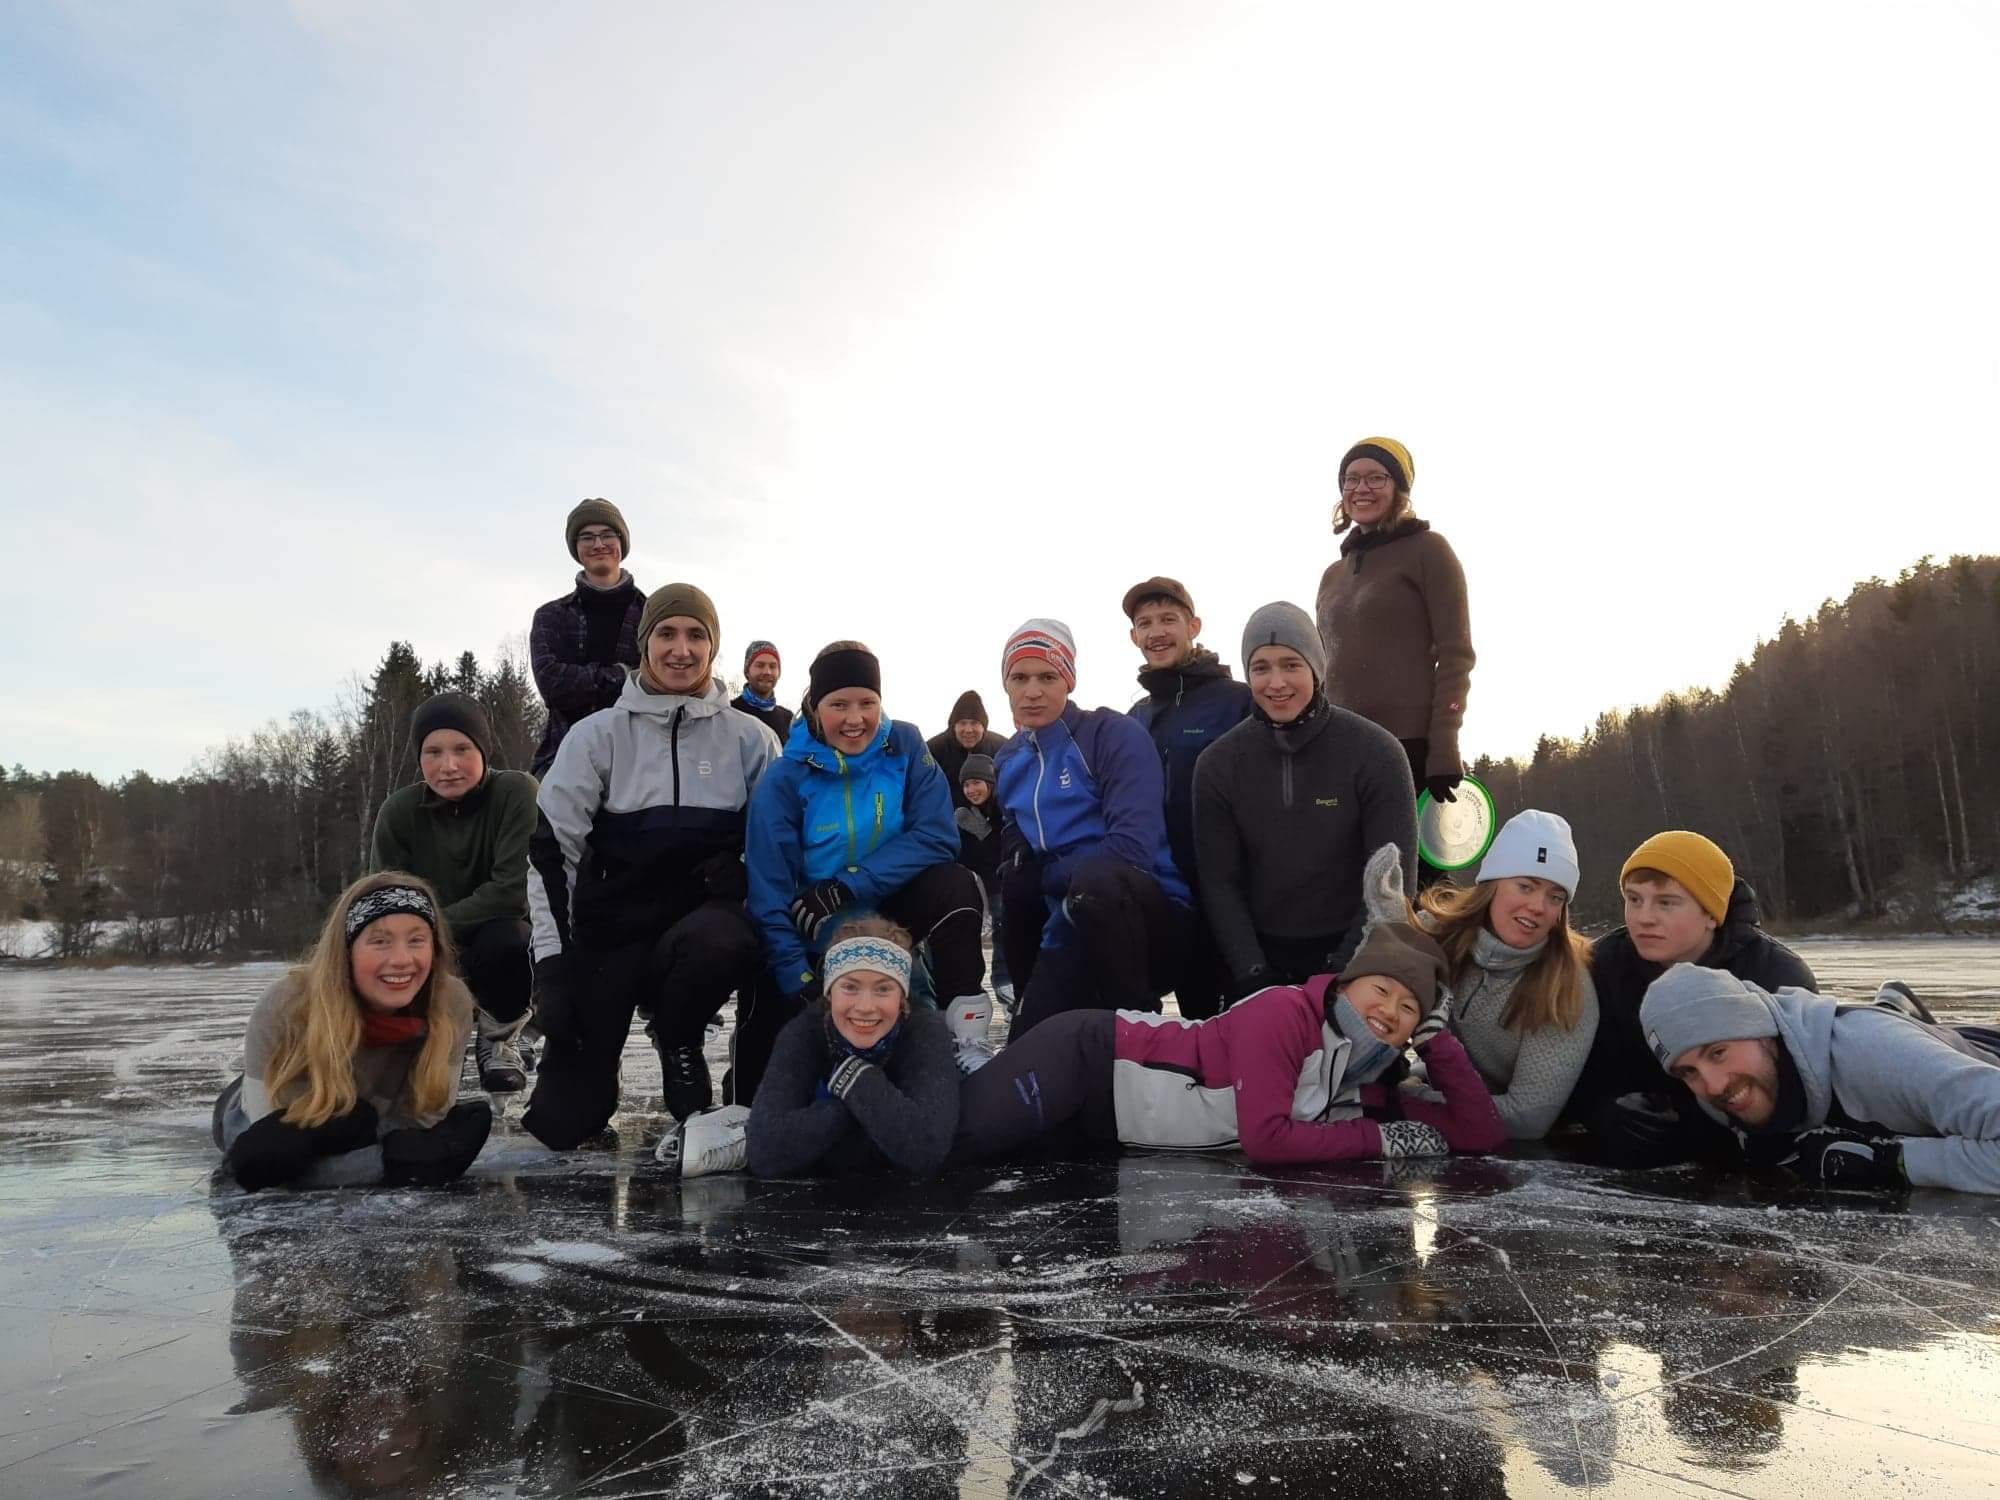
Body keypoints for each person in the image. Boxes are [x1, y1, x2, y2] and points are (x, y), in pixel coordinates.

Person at [954, 845, 1504, 1166]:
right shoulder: (1286, 1014)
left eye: (1410, 1009)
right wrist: (1377, 1139)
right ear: (1347, 985)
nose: (1389, 1011)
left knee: (989, 1160)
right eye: (1380, 991)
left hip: (1103, 1126)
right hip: (1087, 1059)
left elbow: (1480, 1134)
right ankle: (931, 1053)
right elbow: (1267, 1138)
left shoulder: (1368, 1086)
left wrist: (1438, 1042)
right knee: (954, 1140)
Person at [524, 583, 780, 1149]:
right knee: (564, 1124)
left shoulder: (753, 740)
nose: (680, 650)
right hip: (613, 934)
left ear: (713, 647)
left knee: (727, 941)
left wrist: (743, 867)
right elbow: (551, 854)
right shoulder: (596, 736)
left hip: (700, 934)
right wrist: (553, 966)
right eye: (666, 634)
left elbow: (778, 848)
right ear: (644, 644)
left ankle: (679, 1032)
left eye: (696, 636)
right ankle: (600, 1060)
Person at [745, 641, 993, 1077]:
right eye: (839, 705)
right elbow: (769, 889)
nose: (855, 719)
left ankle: (964, 1039)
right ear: (815, 706)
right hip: (817, 925)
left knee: (958, 885)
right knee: (777, 1072)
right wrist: (797, 980)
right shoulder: (786, 776)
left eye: (867, 703)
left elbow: (937, 836)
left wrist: (849, 883)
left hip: (889, 910)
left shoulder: (905, 745)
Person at [212, 872, 492, 1191]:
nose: (402, 959)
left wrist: (398, 1143)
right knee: (273, 1149)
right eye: (380, 941)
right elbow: (267, 1161)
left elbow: (423, 1121)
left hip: (374, 1115)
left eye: (416, 940)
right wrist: (390, 1164)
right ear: (346, 952)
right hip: (283, 1107)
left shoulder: (449, 1001)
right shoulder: (284, 1007)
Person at [1192, 603, 1416, 998]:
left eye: (1291, 665)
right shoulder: (1218, 764)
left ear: (1316, 667)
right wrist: (1253, 974)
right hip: (1259, 960)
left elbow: (1393, 884)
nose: (1276, 683)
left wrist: (1340, 973)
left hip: (1357, 954)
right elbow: (1219, 883)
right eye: (1261, 668)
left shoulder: (1377, 752)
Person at [993, 619, 1192, 1037]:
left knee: (1095, 881)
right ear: (1006, 685)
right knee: (1031, 1048)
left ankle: (1139, 1029)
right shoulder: (1008, 759)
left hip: (1147, 917)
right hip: (1064, 924)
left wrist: (1045, 877)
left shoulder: (1110, 734)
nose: (1032, 691)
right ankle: (1028, 1004)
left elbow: (1132, 847)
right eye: (1020, 678)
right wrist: (1022, 869)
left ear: (1068, 680)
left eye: (1047, 677)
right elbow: (1015, 838)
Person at [1568, 830, 1817, 1166]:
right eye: (1634, 899)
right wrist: (1602, 1112)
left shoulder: (1776, 974)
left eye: (1666, 902)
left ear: (1711, 914)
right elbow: (1578, 1069)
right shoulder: (1603, 966)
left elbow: (1799, 1088)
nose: (1644, 918)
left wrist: (1693, 1123)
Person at [1640, 965, 2000, 1193]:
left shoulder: (1878, 1057)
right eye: (1688, 1072)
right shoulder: (1719, 1095)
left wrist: (1893, 1161)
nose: (1714, 1087)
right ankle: (1893, 1009)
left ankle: (1892, 1014)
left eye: (1718, 1052)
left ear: (1762, 1030)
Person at [370, 692, 538, 1092]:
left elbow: (512, 892)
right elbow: (383, 902)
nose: (448, 766)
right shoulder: (398, 812)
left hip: (494, 941)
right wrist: (416, 938)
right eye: (433, 752)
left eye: (462, 749)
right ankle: (420, 1047)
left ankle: (500, 1038)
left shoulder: (516, 792)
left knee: (510, 938)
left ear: (482, 750)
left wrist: (427, 926)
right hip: (426, 948)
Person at [1313, 437, 1475, 821]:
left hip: (1409, 747)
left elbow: (1457, 656)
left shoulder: (1429, 550)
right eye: (1352, 479)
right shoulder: (1333, 574)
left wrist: (1445, 743)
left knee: (1408, 858)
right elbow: (1320, 667)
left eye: (1376, 478)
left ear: (1399, 488)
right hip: (1340, 744)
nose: (1361, 488)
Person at [1413, 809, 1599, 1140]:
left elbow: (1527, 1118)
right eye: (1526, 886)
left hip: (1536, 1147)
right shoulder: (1437, 936)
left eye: (1555, 897)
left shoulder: (1567, 986)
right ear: (1493, 884)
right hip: (1447, 1097)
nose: (1538, 906)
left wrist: (1411, 1100)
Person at [1124, 576, 1253, 1021]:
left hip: (1231, 889)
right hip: (1167, 890)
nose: (1156, 632)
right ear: (1134, 636)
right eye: (1145, 623)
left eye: (1168, 619)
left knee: (1242, 1013)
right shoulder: (1135, 717)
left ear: (1193, 626)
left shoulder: (1237, 702)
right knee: (1194, 1015)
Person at [745, 918, 960, 1178]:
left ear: (902, 998)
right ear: (829, 993)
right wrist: (848, 1107)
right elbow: (763, 1153)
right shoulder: (804, 1032)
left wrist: (856, 1077)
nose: (865, 1006)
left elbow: (927, 1150)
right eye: (849, 987)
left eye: (883, 989)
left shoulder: (925, 1030)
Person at [529, 498, 646, 775]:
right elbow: (551, 684)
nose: (598, 544)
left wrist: (584, 680)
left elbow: (657, 685)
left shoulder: (653, 614)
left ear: (621, 543)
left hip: (640, 759)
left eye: (607, 534)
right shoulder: (550, 616)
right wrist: (622, 675)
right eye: (587, 537)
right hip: (564, 757)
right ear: (576, 549)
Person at [926, 691, 1006, 811]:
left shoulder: (1002, 748)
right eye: (962, 723)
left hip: (993, 816)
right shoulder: (933, 749)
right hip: (946, 815)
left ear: (984, 727)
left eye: (974, 723)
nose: (968, 730)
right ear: (953, 727)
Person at [732, 640, 793, 740]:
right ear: (747, 671)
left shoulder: (788, 719)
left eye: (773, 666)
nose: (767, 672)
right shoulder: (730, 711)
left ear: (779, 673)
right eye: (760, 665)